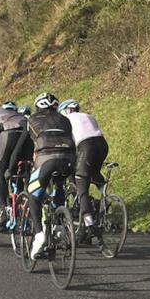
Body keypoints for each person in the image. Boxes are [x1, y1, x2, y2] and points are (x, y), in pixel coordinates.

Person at [26, 93, 76, 259]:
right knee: (59, 183)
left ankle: (39, 234)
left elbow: (25, 146)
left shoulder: (32, 120)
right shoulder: (65, 119)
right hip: (69, 159)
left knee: (33, 194)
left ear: (38, 107)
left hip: (46, 159)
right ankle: (60, 226)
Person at [58, 99, 108, 233]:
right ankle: (105, 196)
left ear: (66, 111)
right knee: (94, 172)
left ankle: (88, 221)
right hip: (102, 144)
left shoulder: (66, 119)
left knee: (81, 181)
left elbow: (68, 144)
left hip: (86, 146)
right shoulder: (88, 116)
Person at [0, 101, 27, 230]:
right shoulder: (20, 116)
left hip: (8, 135)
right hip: (26, 136)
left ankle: (4, 211)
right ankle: (24, 203)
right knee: (21, 170)